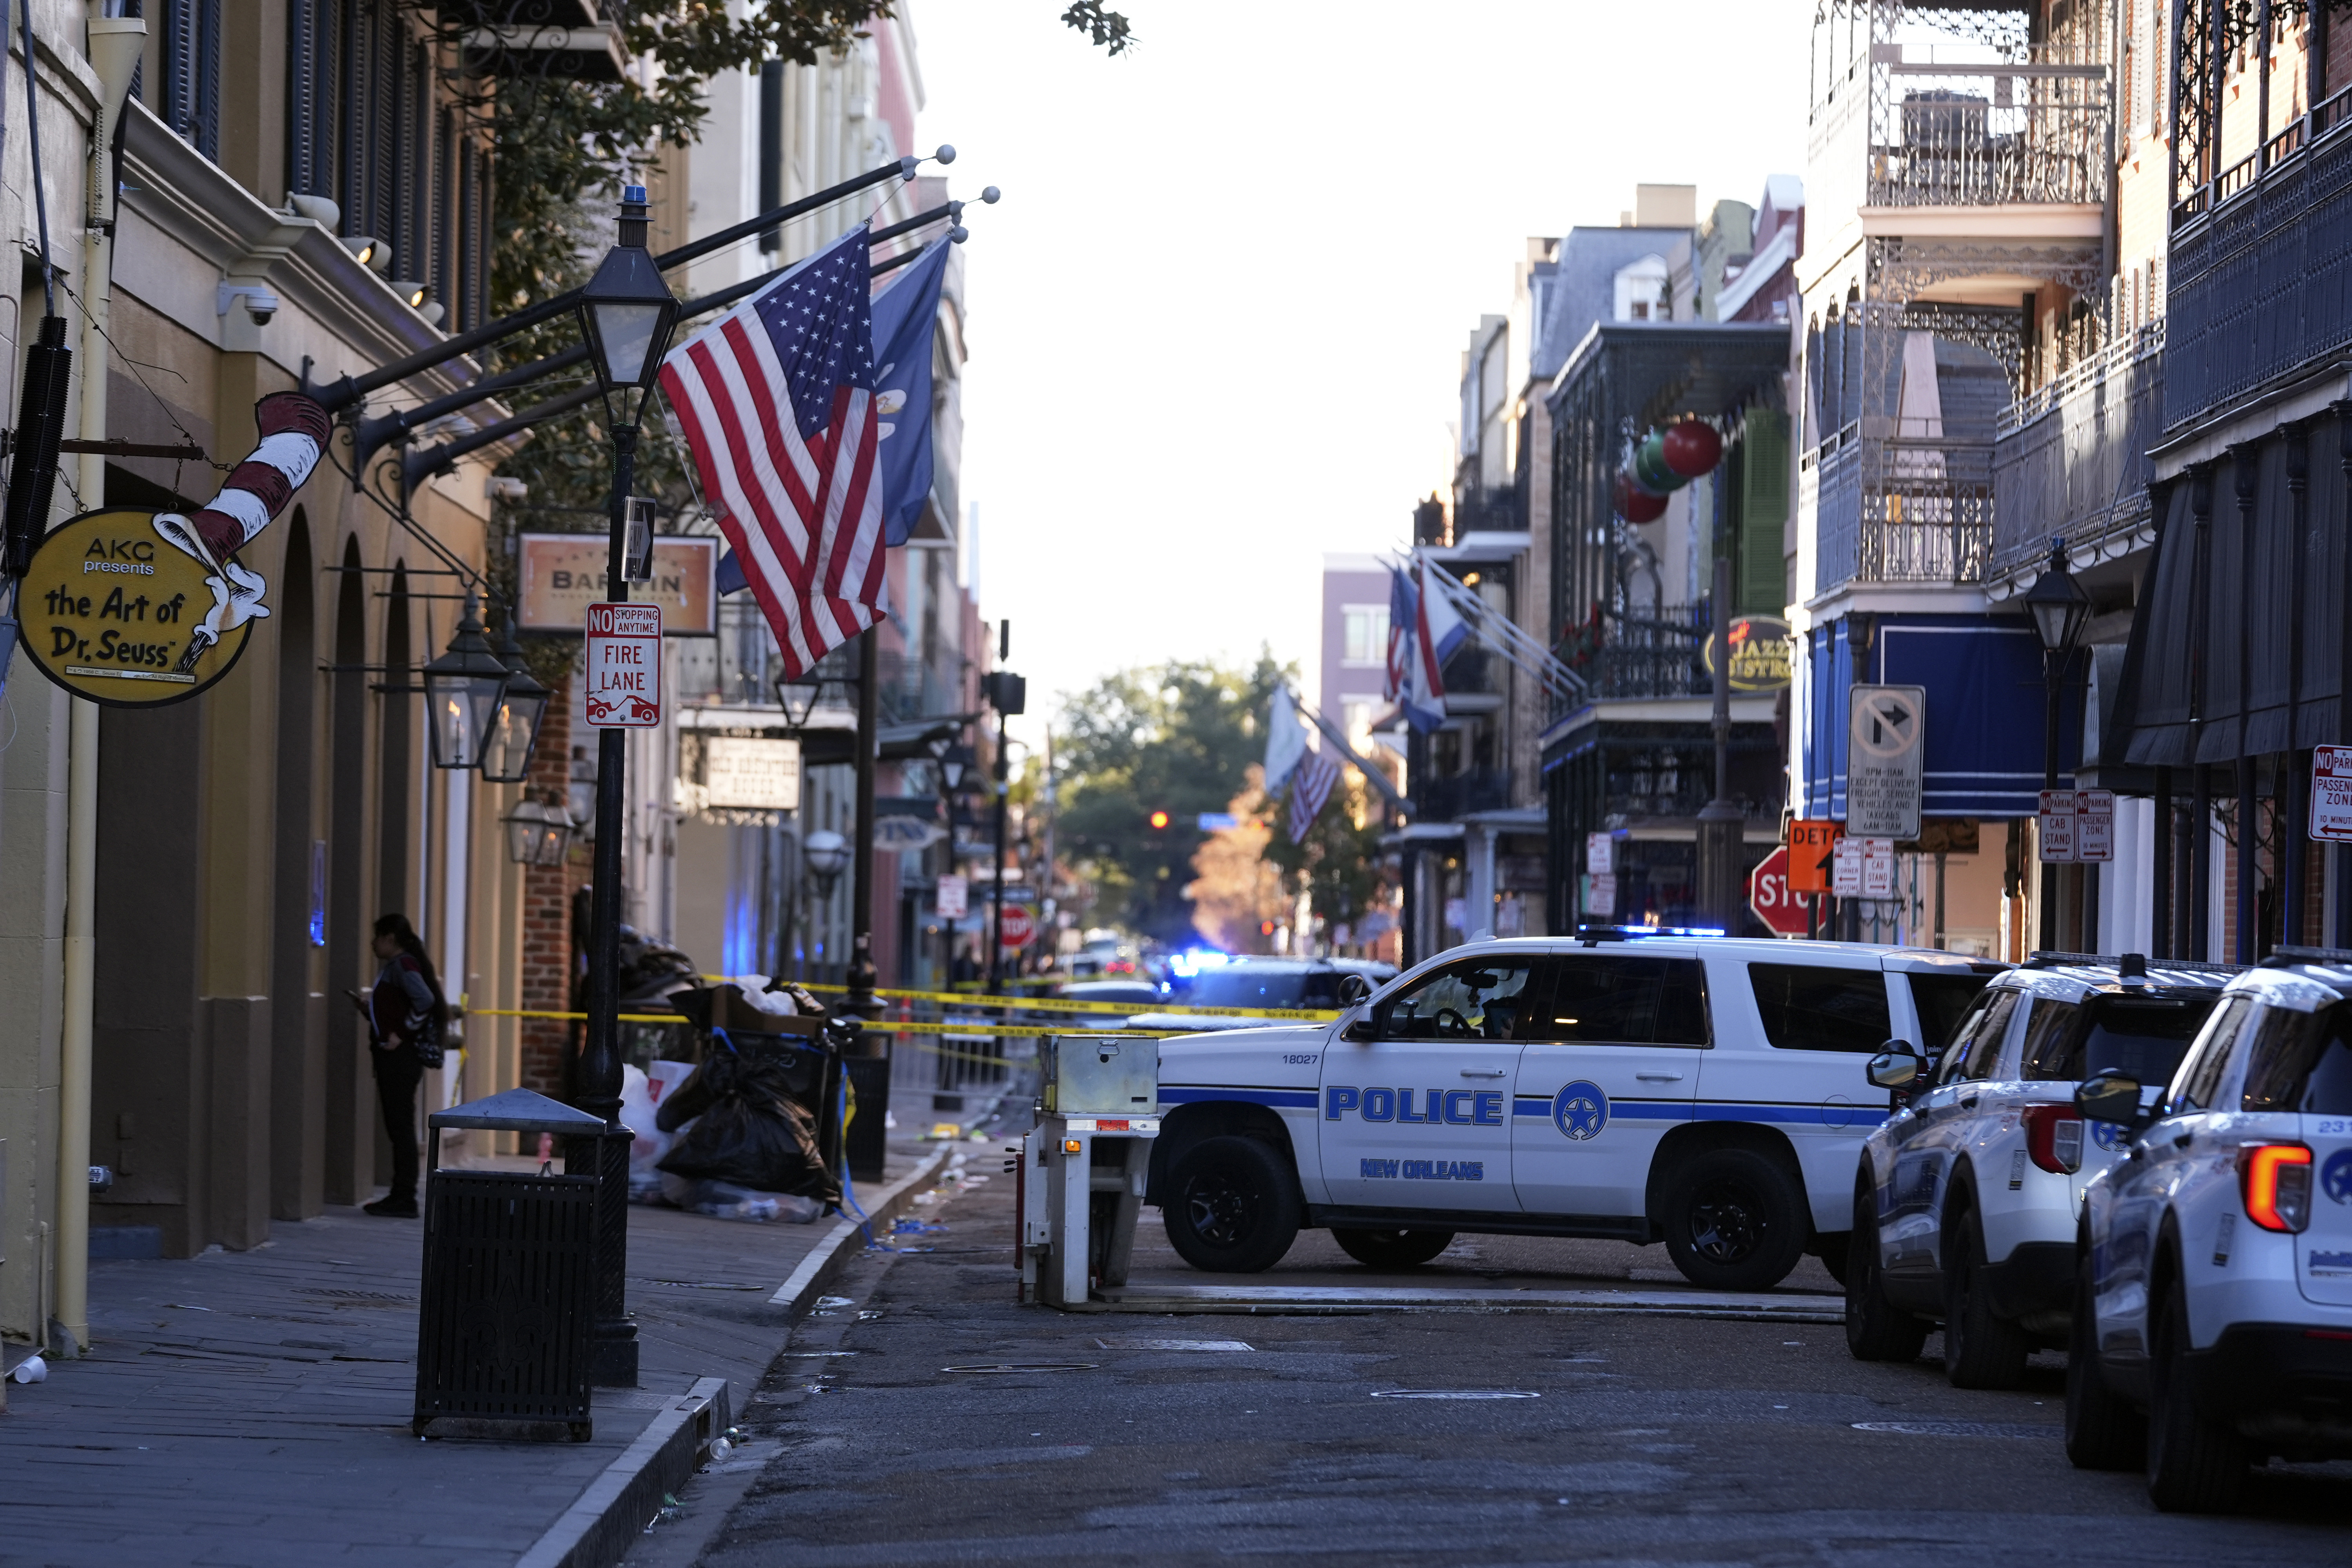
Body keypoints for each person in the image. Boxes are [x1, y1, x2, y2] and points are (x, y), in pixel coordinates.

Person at [346, 913, 446, 1218]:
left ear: (391, 938)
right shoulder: (399, 966)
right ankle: (401, 1194)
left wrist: (401, 1034)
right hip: (395, 1058)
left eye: (377, 937)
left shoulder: (402, 965)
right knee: (399, 1127)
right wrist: (370, 1011)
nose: (373, 943)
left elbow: (425, 1001)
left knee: (400, 1128)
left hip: (399, 1061)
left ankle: (404, 1197)